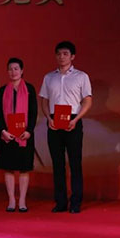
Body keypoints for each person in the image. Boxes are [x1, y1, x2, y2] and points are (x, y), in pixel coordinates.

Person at [39, 41, 92, 214]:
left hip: (73, 120)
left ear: (72, 56)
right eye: (59, 54)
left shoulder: (81, 76)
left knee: (75, 163)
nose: (61, 57)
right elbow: (44, 100)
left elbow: (87, 101)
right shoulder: (49, 77)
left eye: (65, 54)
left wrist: (76, 119)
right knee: (58, 164)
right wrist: (48, 118)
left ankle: (75, 202)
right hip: (54, 121)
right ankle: (60, 202)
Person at [0, 58, 38, 212]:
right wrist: (3, 131)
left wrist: (29, 131)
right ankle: (12, 200)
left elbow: (33, 112)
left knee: (24, 168)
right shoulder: (2, 90)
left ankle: (22, 200)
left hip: (24, 135)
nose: (13, 72)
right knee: (9, 168)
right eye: (10, 69)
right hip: (7, 135)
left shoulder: (29, 89)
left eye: (16, 69)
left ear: (22, 70)